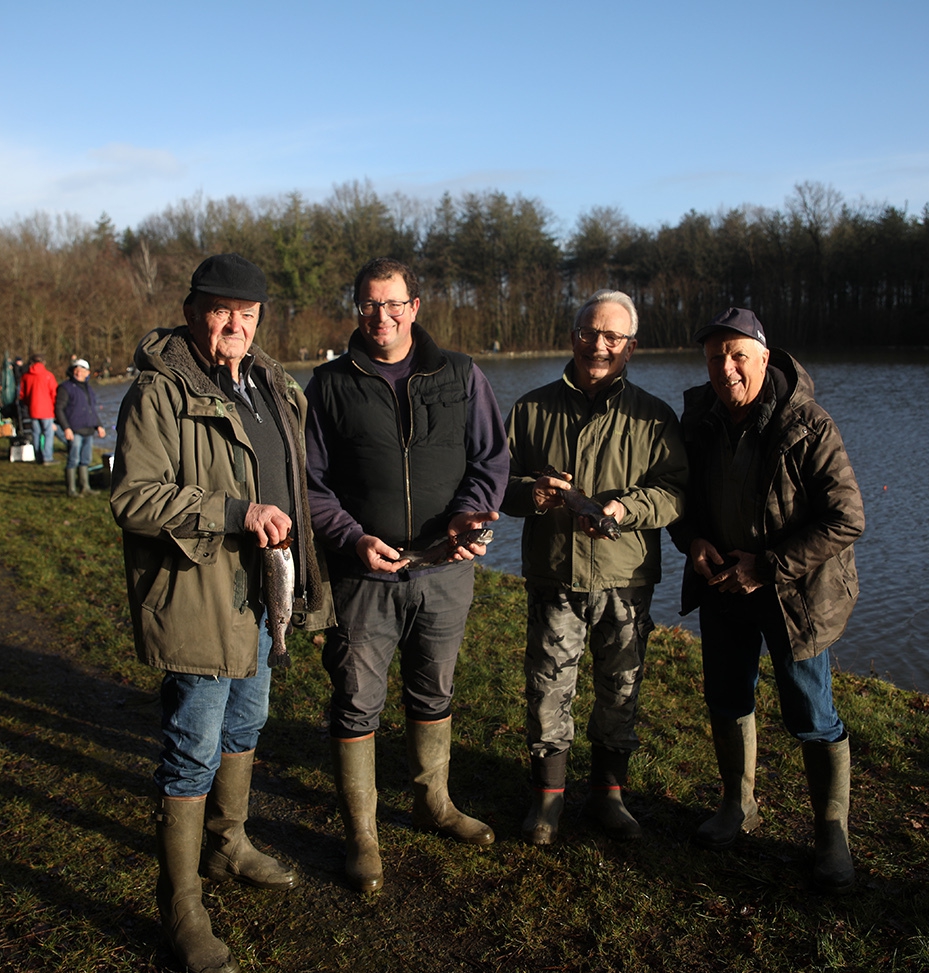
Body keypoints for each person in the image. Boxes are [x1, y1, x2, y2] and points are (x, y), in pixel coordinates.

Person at [111, 253, 331, 973]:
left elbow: (297, 485)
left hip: (265, 596)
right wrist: (236, 513)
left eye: (248, 313)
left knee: (246, 727)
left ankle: (228, 844)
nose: (235, 324)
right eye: (220, 310)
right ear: (192, 311)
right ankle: (181, 906)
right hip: (198, 599)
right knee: (191, 750)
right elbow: (133, 497)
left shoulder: (273, 384)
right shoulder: (158, 392)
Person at [305, 256, 508, 893]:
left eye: (394, 303)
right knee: (355, 699)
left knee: (434, 690)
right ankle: (362, 836)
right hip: (362, 576)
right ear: (357, 309)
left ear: (415, 307)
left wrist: (470, 515)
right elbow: (310, 485)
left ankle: (433, 803)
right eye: (370, 304)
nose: (382, 316)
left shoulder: (461, 374)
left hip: (444, 570)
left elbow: (491, 460)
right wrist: (351, 537)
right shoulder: (329, 385)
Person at [669, 307, 864, 891]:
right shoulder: (698, 420)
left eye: (738, 357)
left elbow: (846, 518)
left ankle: (832, 835)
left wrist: (768, 566)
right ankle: (738, 805)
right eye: (715, 358)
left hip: (795, 596)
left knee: (812, 715)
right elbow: (677, 499)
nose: (725, 369)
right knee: (727, 698)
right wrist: (693, 540)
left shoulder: (808, 423)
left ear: (764, 357)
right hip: (723, 588)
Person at [501, 290, 687, 844]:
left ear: (631, 347)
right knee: (547, 688)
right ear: (573, 337)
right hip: (554, 576)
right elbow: (494, 484)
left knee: (620, 690)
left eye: (612, 337)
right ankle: (548, 799)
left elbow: (675, 492)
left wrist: (626, 509)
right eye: (589, 333)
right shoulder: (530, 409)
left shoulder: (654, 416)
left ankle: (610, 796)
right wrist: (532, 494)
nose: (598, 346)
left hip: (625, 581)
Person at [56, 358, 107, 497]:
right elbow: (59, 409)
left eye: (82, 371)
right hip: (74, 430)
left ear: (87, 373)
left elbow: (91, 409)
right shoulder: (66, 387)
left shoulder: (89, 389)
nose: (79, 373)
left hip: (88, 429)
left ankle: (85, 487)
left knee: (86, 459)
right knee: (73, 459)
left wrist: (99, 425)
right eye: (76, 370)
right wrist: (66, 428)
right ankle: (71, 490)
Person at [18, 354, 59, 464]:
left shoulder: (26, 377)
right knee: (48, 434)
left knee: (36, 434)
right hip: (47, 409)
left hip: (33, 409)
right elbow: (54, 393)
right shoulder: (48, 375)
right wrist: (55, 407)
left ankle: (38, 456)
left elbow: (23, 394)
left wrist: (28, 404)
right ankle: (47, 457)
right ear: (43, 362)